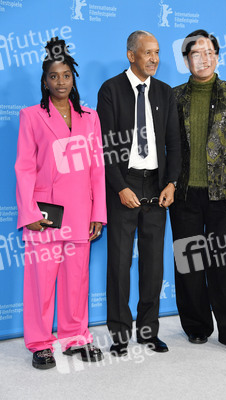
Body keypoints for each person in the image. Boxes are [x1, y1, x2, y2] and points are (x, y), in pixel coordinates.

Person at [15, 37, 107, 369]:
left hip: (81, 213)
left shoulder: (90, 118)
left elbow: (98, 168)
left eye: (66, 75)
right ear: (44, 81)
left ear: (73, 78)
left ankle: (74, 338)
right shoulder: (31, 116)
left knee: (76, 281)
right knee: (41, 284)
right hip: (45, 215)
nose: (60, 82)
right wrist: (28, 213)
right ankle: (40, 343)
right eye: (54, 76)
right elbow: (24, 168)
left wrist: (98, 212)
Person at [97, 30, 181, 356]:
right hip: (124, 183)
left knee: (153, 266)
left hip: (157, 187)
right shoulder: (111, 91)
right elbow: (104, 147)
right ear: (131, 55)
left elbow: (173, 143)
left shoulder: (164, 93)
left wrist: (172, 182)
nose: (155, 59)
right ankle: (119, 336)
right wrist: (119, 187)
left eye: (157, 52)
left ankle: (148, 332)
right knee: (119, 265)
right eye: (148, 53)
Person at [170, 29, 226, 354]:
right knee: (190, 263)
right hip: (184, 196)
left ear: (217, 56)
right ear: (186, 59)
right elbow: (169, 147)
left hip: (224, 196)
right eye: (195, 53)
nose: (202, 58)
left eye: (208, 52)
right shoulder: (173, 97)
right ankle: (196, 326)